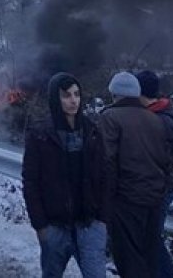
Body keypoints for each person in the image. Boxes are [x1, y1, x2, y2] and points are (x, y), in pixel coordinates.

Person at [23, 73, 109, 278]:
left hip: (89, 224)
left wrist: (102, 219)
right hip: (55, 226)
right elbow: (31, 182)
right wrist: (41, 225)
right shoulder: (41, 135)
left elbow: (105, 175)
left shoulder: (91, 131)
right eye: (66, 95)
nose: (73, 100)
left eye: (76, 94)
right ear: (55, 98)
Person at [99, 72, 172, 278]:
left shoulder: (110, 117)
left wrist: (106, 202)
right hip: (154, 200)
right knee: (149, 257)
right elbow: (164, 162)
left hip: (126, 201)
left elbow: (107, 162)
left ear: (114, 93)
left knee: (129, 261)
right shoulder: (155, 119)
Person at [136, 71, 173, 278]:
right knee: (147, 240)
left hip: (157, 189)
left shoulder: (160, 121)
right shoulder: (159, 116)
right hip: (153, 187)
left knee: (150, 240)